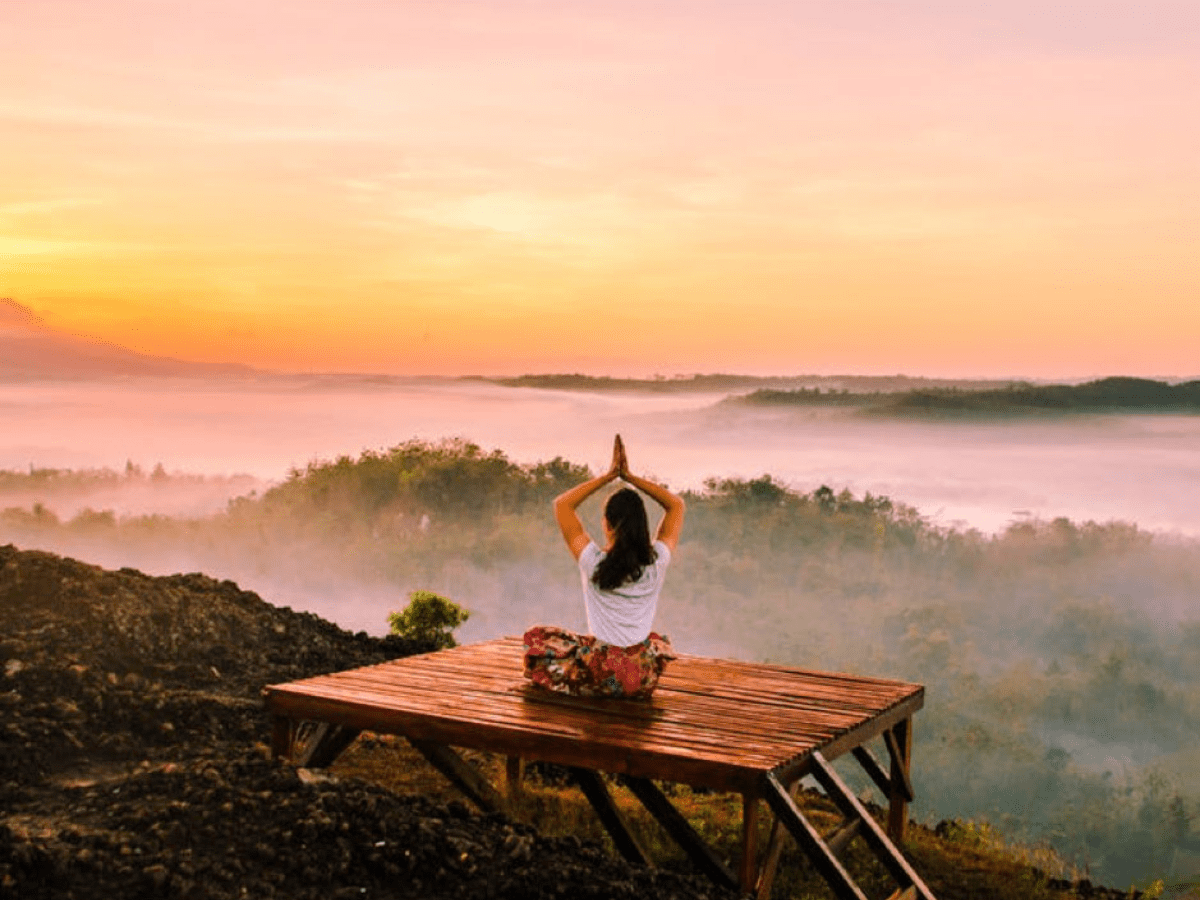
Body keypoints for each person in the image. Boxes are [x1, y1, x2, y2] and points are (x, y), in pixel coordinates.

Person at [523, 435, 685, 699]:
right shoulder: (657, 562)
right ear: (643, 527)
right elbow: (676, 505)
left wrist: (609, 476)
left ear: (607, 525)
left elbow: (562, 504)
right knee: (654, 641)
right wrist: (630, 477)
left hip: (598, 674)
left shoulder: (593, 562)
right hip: (639, 678)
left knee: (537, 639)